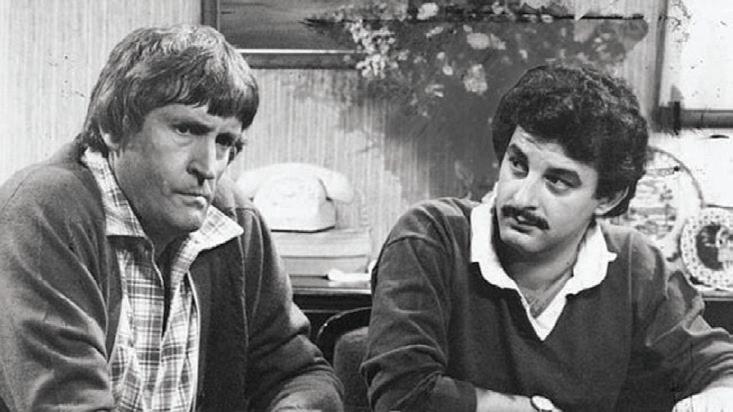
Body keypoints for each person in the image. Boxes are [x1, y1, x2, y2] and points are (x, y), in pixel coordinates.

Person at [0, 24, 343, 411]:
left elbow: (299, 373)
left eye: (225, 141)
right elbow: (66, 403)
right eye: (186, 129)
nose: (208, 166)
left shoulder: (236, 221)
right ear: (113, 128)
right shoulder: (43, 211)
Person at [360, 64, 733, 411]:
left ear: (607, 198)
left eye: (557, 181)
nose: (522, 198)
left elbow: (721, 371)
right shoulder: (430, 235)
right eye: (518, 165)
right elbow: (402, 394)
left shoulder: (637, 264)